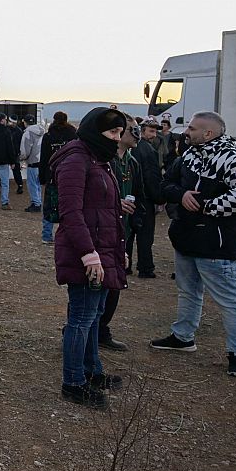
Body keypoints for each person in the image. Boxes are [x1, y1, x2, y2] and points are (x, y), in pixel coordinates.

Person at [150, 111, 236, 378]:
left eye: (193, 129)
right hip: (186, 239)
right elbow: (166, 184)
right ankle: (183, 337)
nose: (186, 133)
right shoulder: (188, 157)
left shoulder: (234, 161)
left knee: (229, 301)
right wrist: (182, 194)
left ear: (208, 133)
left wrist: (208, 207)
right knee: (188, 292)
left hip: (217, 246)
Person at [51, 107, 127, 409]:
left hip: (102, 250)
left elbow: (105, 210)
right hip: (86, 252)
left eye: (120, 133)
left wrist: (115, 251)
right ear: (96, 132)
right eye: (112, 133)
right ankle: (73, 382)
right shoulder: (76, 160)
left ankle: (92, 371)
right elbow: (71, 213)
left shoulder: (99, 159)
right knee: (81, 318)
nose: (117, 139)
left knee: (93, 316)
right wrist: (89, 254)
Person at [97, 114, 146, 352]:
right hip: (101, 232)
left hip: (122, 232)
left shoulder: (132, 162)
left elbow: (140, 194)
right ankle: (82, 330)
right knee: (94, 283)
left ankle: (102, 329)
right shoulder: (101, 161)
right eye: (132, 129)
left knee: (115, 282)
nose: (137, 134)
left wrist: (137, 220)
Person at [126, 118, 164, 278]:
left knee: (127, 233)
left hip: (129, 197)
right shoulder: (147, 150)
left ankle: (125, 266)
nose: (153, 135)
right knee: (144, 235)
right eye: (151, 131)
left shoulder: (129, 148)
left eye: (155, 131)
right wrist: (158, 197)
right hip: (144, 199)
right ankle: (145, 267)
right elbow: (151, 177)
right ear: (141, 130)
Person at [40, 111, 78, 244]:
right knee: (69, 205)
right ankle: (68, 235)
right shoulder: (73, 135)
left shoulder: (48, 136)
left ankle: (46, 235)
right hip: (71, 174)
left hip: (52, 175)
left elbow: (44, 158)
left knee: (49, 205)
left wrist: (42, 177)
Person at [20, 115, 45, 212]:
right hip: (41, 161)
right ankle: (38, 202)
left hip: (32, 162)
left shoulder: (27, 133)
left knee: (32, 184)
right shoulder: (42, 132)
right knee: (38, 184)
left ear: (25, 122)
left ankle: (36, 203)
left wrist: (22, 158)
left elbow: (25, 150)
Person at [7, 116, 25, 195]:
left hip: (15, 153)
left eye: (14, 123)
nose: (13, 124)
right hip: (8, 152)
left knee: (16, 170)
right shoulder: (17, 130)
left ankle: (20, 185)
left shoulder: (18, 131)